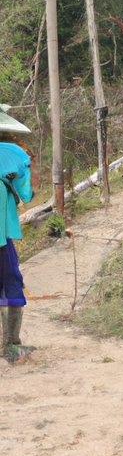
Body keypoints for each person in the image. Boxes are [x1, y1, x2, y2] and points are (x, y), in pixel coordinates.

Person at [0, 141, 36, 363]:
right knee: (12, 282)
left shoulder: (6, 174)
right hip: (2, 244)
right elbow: (27, 194)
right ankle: (11, 345)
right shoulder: (9, 164)